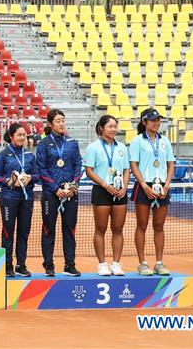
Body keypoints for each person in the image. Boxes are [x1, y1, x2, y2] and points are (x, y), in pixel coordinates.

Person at [129, 108, 176, 276]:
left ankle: (159, 263)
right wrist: (143, 185)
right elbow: (134, 164)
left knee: (159, 225)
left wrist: (167, 185)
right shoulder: (137, 141)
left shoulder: (165, 141)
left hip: (162, 186)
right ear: (144, 122)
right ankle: (142, 263)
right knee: (142, 225)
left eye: (158, 120)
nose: (157, 123)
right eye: (153, 120)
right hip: (144, 186)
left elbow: (171, 164)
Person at [36, 109, 82, 276]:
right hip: (51, 194)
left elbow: (78, 166)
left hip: (70, 193)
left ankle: (69, 265)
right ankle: (49, 265)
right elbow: (41, 168)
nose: (62, 123)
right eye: (58, 121)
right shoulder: (43, 144)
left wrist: (72, 186)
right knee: (48, 229)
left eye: (63, 120)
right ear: (50, 124)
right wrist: (55, 189)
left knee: (69, 229)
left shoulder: (72, 142)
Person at [84, 114, 130, 276]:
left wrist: (124, 186)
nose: (113, 129)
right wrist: (105, 185)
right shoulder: (93, 147)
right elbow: (89, 170)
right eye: (110, 126)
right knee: (100, 228)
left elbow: (126, 169)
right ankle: (102, 264)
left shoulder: (122, 147)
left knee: (118, 229)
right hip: (101, 191)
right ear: (101, 128)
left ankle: (116, 264)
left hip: (119, 192)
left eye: (115, 126)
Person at [0, 123, 38, 277]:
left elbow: (38, 175)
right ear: (11, 136)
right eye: (19, 135)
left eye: (24, 135)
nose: (22, 138)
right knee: (8, 232)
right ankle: (7, 265)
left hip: (27, 198)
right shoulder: (3, 155)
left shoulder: (30, 155)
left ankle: (21, 264)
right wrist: (11, 181)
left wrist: (30, 177)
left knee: (24, 232)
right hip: (9, 199)